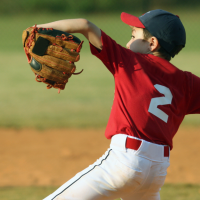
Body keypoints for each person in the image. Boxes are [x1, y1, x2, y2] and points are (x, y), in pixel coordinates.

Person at [38, 9, 200, 200]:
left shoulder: (130, 61)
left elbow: (85, 25)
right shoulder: (188, 83)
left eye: (133, 36)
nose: (128, 43)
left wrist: (37, 29)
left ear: (152, 43)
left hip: (124, 162)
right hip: (157, 171)